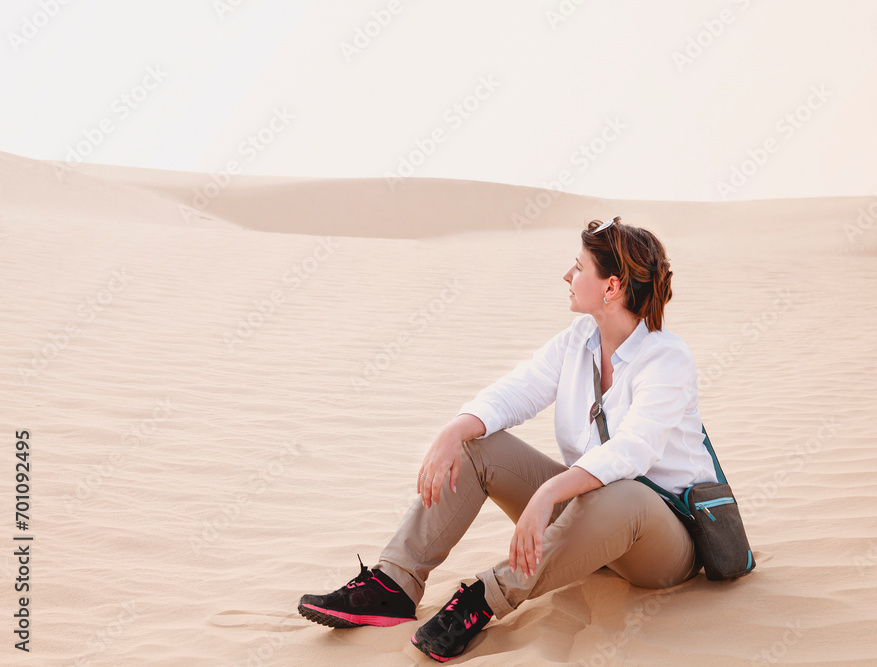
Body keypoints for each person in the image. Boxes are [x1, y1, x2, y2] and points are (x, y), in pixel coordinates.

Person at [297, 216, 719, 662]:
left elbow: (635, 449)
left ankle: (484, 599)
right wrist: (453, 431)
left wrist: (547, 494)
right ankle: (394, 584)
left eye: (578, 268)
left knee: (624, 495)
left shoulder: (666, 358)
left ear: (611, 287)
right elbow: (517, 391)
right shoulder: (579, 341)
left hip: (662, 543)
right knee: (479, 447)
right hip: (588, 528)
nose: (567, 276)